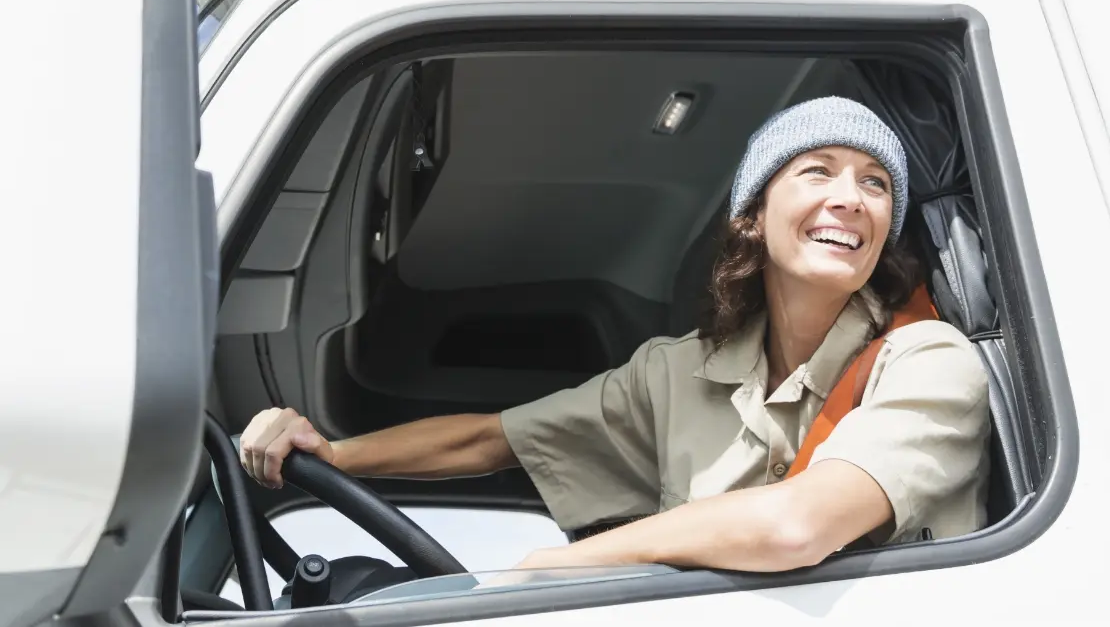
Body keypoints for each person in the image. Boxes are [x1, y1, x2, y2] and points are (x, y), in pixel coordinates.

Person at [239, 96, 990, 573]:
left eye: (875, 183)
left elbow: (798, 526)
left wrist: (555, 571)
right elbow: (493, 440)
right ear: (755, 217)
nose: (849, 199)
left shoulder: (929, 363)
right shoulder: (676, 373)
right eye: (818, 171)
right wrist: (332, 455)